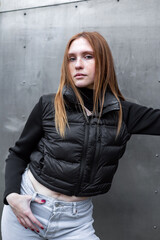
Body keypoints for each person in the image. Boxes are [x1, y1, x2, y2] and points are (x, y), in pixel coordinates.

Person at [1, 31, 160, 240]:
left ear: (104, 62)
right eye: (72, 58)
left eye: (88, 56)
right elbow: (18, 154)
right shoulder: (49, 105)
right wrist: (12, 197)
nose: (77, 64)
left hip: (75, 223)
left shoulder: (124, 113)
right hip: (27, 210)